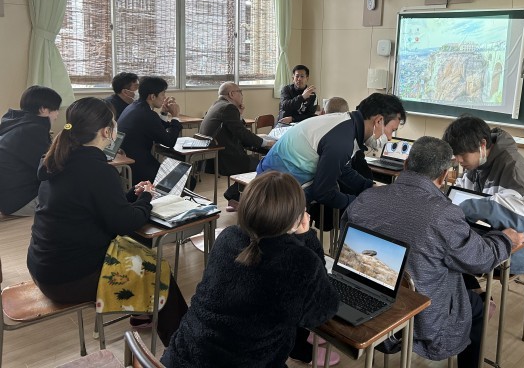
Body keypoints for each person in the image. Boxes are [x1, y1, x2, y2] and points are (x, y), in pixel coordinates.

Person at [344, 136, 524, 368]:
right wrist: (505, 239)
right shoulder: (443, 214)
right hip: (419, 316)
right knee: (477, 306)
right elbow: (481, 260)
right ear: (443, 176)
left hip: (361, 298)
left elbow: (346, 234)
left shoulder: (367, 197)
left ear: (406, 164)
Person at [26, 97, 187, 346]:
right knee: (159, 272)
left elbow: (94, 204)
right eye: (114, 123)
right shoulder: (97, 169)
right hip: (68, 278)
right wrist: (146, 199)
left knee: (141, 255)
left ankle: (143, 313)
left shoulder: (58, 159)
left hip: (44, 265)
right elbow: (124, 222)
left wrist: (131, 195)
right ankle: (183, 346)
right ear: (106, 132)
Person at [161, 171, 340, 368]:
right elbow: (323, 310)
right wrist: (307, 237)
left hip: (181, 356)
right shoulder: (301, 261)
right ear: (296, 218)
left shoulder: (227, 237)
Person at [257, 93, 406, 211]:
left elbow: (343, 170)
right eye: (392, 130)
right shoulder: (342, 140)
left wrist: (370, 186)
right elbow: (323, 193)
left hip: (277, 178)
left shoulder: (347, 124)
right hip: (275, 189)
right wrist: (361, 203)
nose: (390, 137)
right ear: (378, 121)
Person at [442, 115, 524, 275]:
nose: (459, 160)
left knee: (447, 262)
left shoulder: (513, 167)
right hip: (482, 240)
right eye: (456, 154)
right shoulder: (476, 163)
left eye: (463, 154)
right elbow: (460, 192)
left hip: (511, 252)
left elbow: (521, 218)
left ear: (482, 144)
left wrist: (462, 208)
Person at [200, 82, 275, 201]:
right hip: (227, 159)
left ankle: (235, 195)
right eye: (240, 92)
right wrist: (265, 143)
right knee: (266, 167)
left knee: (261, 164)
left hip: (214, 157)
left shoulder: (217, 105)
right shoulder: (228, 108)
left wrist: (239, 114)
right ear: (231, 94)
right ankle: (235, 194)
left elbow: (236, 129)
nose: (242, 95)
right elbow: (242, 133)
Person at [0, 85, 61, 216]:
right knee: (76, 195)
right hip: (19, 202)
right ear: (43, 109)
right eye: (56, 109)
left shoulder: (14, 123)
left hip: (7, 198)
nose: (57, 114)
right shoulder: (33, 131)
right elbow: (48, 169)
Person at [118, 76, 182, 185]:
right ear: (152, 96)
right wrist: (175, 117)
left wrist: (164, 112)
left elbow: (157, 129)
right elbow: (170, 142)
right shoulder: (147, 114)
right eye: (163, 94)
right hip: (140, 168)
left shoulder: (134, 107)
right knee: (187, 181)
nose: (164, 97)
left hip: (127, 165)